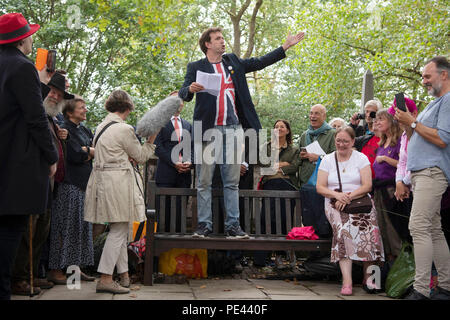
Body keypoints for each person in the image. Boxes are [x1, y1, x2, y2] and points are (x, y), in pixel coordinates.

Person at [179, 27, 305, 238]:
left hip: (232, 130)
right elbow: (183, 92)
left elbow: (259, 62)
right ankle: (204, 225)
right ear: (207, 44)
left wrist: (285, 46)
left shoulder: (233, 61)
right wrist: (190, 89)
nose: (222, 41)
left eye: (223, 38)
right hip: (206, 132)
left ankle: (233, 225)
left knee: (231, 181)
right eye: (218, 39)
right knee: (204, 181)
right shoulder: (196, 67)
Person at [0, 13, 58, 300]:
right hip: (17, 164)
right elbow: (34, 117)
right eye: (30, 34)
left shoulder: (9, 66)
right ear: (23, 39)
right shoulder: (22, 67)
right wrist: (51, 155)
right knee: (12, 231)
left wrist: (42, 83)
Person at [84, 89, 158, 294]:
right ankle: (106, 278)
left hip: (101, 181)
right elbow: (142, 156)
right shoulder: (124, 129)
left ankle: (124, 275)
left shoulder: (101, 126)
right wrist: (152, 138)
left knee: (122, 228)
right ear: (127, 107)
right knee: (118, 230)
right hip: (116, 183)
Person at [10, 68, 74, 295]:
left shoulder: (54, 120)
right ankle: (19, 278)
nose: (55, 96)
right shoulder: (33, 113)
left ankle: (33, 274)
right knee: (28, 230)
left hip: (50, 183)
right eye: (53, 91)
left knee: (41, 231)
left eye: (59, 94)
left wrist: (61, 136)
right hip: (32, 179)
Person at [395, 56, 450, 300]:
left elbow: (442, 139)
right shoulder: (433, 103)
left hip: (432, 172)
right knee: (434, 230)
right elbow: (419, 136)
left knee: (418, 227)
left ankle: (420, 290)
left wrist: (413, 122)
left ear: (444, 75)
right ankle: (445, 287)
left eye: (428, 76)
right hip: (420, 175)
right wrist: (407, 123)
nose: (424, 80)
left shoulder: (448, 101)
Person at [316, 126, 384, 296]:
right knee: (344, 229)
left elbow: (367, 185)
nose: (341, 144)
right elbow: (320, 187)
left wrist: (349, 197)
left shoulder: (361, 158)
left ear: (353, 141)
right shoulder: (327, 160)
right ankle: (347, 281)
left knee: (371, 231)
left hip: (360, 201)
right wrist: (337, 196)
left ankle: (370, 278)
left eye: (346, 141)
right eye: (338, 140)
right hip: (334, 203)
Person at [47, 96, 95, 284]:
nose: (85, 110)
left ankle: (75, 270)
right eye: (81, 107)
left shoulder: (84, 129)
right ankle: (55, 270)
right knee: (64, 228)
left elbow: (93, 150)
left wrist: (87, 150)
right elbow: (74, 155)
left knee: (81, 229)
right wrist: (88, 152)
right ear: (69, 111)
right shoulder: (64, 128)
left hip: (85, 185)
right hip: (69, 185)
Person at [253, 119, 300, 267]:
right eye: (276, 127)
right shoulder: (265, 147)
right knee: (265, 219)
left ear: (287, 130)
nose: (279, 129)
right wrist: (282, 165)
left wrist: (277, 166)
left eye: (282, 126)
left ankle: (281, 257)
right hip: (270, 184)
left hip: (287, 186)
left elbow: (295, 167)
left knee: (284, 220)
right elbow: (263, 166)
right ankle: (261, 258)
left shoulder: (294, 150)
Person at [154, 91, 193, 232]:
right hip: (165, 176)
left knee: (180, 215)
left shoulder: (188, 125)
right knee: (163, 215)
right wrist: (174, 163)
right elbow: (157, 147)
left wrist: (190, 162)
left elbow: (194, 147)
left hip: (184, 177)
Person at [372, 109, 403, 263]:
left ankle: (400, 262)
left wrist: (385, 159)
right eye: (376, 120)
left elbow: (404, 164)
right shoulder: (381, 143)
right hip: (378, 190)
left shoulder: (399, 142)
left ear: (391, 121)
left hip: (392, 189)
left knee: (393, 229)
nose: (376, 122)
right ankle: (388, 264)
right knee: (382, 229)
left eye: (380, 119)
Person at [298, 104, 336, 187]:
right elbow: (298, 160)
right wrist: (301, 156)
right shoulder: (304, 135)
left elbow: (337, 158)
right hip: (305, 181)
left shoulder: (333, 134)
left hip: (325, 182)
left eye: (316, 113)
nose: (312, 116)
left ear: (324, 116)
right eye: (311, 113)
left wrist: (319, 158)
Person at [354, 100, 382, 178]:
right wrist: (352, 125)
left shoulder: (383, 132)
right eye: (366, 111)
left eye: (372, 112)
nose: (368, 115)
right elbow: (348, 141)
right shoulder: (359, 130)